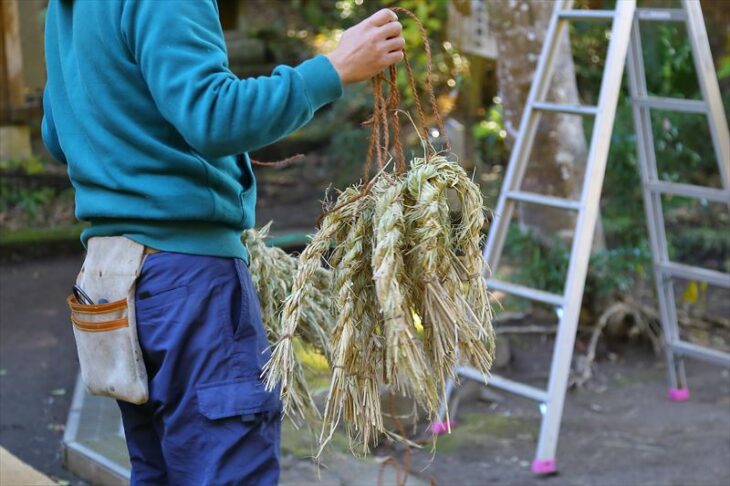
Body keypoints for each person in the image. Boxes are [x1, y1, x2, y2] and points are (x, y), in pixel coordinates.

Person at [42, 1, 404, 484]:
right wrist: (333, 69)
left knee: (162, 471)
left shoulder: (65, 11)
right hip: (188, 279)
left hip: (115, 279)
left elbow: (56, 133)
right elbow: (213, 116)